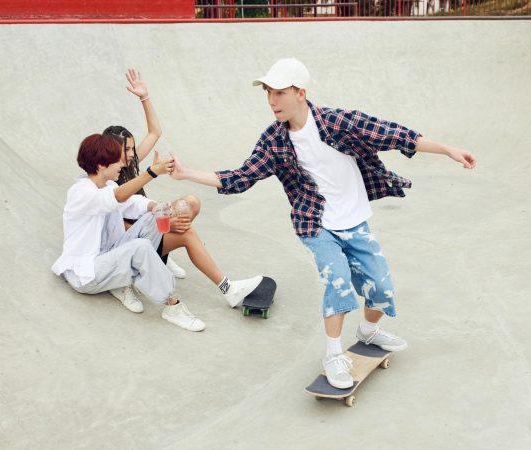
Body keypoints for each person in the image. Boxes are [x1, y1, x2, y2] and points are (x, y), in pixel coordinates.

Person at [171, 58, 477, 385]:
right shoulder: (274, 140)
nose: (272, 101)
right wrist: (187, 173)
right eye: (267, 93)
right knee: (339, 281)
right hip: (315, 224)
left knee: (382, 288)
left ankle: (369, 331)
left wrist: (447, 149)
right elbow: (241, 177)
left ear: (300, 92)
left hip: (355, 221)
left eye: (279, 93)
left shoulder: (338, 122)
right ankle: (333, 354)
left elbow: (395, 134)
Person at [51, 134, 262, 331]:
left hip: (111, 256)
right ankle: (172, 306)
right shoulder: (80, 192)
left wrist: (157, 208)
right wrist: (152, 173)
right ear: (101, 165)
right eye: (118, 160)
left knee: (172, 221)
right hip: (87, 273)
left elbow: (132, 202)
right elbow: (117, 198)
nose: (123, 164)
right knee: (140, 247)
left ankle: (228, 288)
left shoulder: (107, 185)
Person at [103, 68, 188, 279]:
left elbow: (155, 132)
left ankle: (162, 250)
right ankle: (156, 252)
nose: (132, 154)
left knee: (190, 204)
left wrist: (144, 97)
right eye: (127, 150)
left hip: (150, 219)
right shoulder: (107, 180)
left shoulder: (131, 162)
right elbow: (118, 223)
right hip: (132, 232)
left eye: (132, 149)